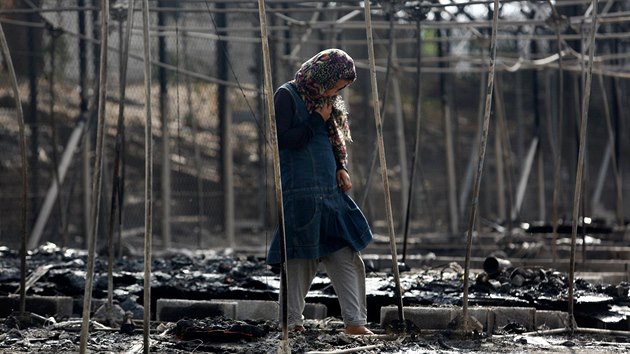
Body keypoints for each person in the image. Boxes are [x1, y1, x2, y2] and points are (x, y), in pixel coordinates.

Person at [266, 48, 374, 335]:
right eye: (337, 84)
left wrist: (341, 166)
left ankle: (355, 322)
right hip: (300, 191)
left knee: (346, 253)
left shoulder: (325, 100)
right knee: (300, 258)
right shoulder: (286, 96)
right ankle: (292, 322)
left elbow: (331, 138)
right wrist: (315, 120)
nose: (337, 91)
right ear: (323, 75)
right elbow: (282, 140)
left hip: (329, 190)